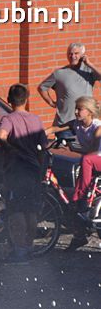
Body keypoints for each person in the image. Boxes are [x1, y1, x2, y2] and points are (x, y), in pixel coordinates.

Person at [0, 84, 49, 264]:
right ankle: (28, 247)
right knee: (30, 210)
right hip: (33, 169)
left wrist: (10, 149)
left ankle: (19, 252)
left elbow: (1, 136)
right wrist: (40, 167)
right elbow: (43, 147)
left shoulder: (8, 118)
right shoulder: (36, 120)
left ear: (9, 100)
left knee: (16, 209)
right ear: (26, 100)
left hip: (16, 170)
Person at [47, 95, 101, 250]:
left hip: (97, 159)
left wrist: (72, 148)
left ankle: (81, 194)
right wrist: (39, 134)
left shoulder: (98, 127)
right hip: (91, 162)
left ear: (90, 112)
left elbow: (92, 151)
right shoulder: (76, 124)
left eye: (80, 109)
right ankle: (79, 235)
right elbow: (55, 128)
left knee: (86, 160)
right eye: (76, 109)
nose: (76, 112)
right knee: (71, 204)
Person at [37, 43, 101, 136]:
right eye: (70, 54)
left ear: (82, 55)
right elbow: (42, 88)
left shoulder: (89, 71)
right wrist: (51, 102)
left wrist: (89, 64)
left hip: (85, 124)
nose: (73, 56)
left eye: (76, 53)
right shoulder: (59, 73)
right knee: (64, 150)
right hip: (64, 125)